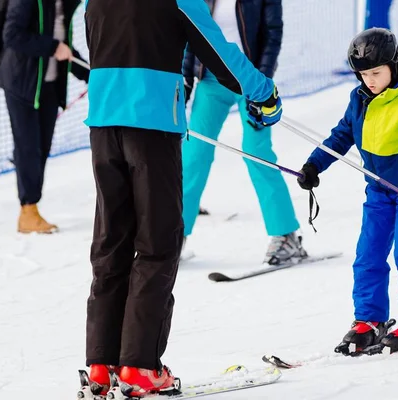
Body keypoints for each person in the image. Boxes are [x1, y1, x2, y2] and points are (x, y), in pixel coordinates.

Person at [82, 0, 283, 396]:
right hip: (151, 128)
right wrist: (265, 91)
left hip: (104, 125)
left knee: (112, 244)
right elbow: (219, 53)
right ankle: (140, 366)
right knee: (157, 244)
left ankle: (103, 364)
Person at [297, 28, 398, 354]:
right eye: (363, 75)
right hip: (378, 192)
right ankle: (370, 320)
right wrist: (313, 166)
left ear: (394, 64)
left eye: (376, 73)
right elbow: (340, 137)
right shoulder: (359, 99)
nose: (370, 80)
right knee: (368, 255)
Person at [182, 0, 307, 265]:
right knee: (193, 155)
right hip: (209, 80)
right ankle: (174, 233)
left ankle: (286, 235)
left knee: (256, 152)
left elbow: (273, 35)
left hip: (250, 79)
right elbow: (189, 31)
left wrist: (261, 85)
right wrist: (184, 79)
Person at [0, 0, 89, 234]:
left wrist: (91, 73)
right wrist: (52, 47)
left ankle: (31, 207)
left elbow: (65, 49)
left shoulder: (64, 5)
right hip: (22, 85)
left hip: (47, 87)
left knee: (42, 147)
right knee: (28, 147)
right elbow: (12, 34)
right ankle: (28, 210)